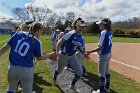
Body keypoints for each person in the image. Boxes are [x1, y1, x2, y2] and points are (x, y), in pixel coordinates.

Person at [0, 22, 56, 93]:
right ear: (38, 30)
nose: (42, 32)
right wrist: (50, 54)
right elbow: (39, 58)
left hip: (12, 68)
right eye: (42, 30)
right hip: (26, 70)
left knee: (10, 90)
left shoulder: (18, 34)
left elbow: (5, 47)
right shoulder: (37, 41)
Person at [53, 17, 87, 93]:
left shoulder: (81, 37)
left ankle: (72, 86)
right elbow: (59, 42)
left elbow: (81, 49)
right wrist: (57, 53)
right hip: (64, 55)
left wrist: (85, 54)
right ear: (76, 25)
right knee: (59, 70)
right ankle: (54, 77)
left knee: (79, 72)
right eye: (80, 26)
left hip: (72, 56)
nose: (82, 28)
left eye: (83, 26)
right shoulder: (71, 33)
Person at [86, 18, 112, 93]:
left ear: (104, 24)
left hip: (103, 55)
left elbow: (100, 47)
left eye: (100, 24)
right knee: (107, 71)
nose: (99, 25)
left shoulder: (103, 32)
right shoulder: (109, 32)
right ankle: (107, 88)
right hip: (108, 54)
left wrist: (90, 51)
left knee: (101, 73)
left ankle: (101, 91)